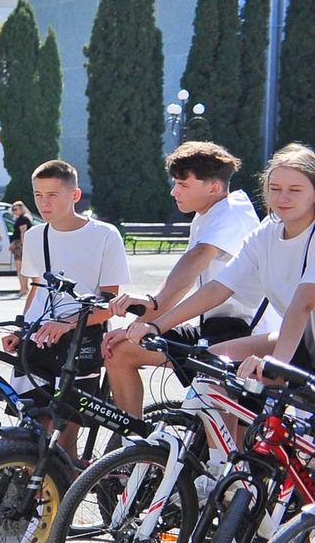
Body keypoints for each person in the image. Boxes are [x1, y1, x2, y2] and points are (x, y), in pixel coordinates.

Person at [113, 144, 315, 382]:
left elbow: (302, 304)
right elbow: (219, 288)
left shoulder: (233, 212)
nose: (283, 197)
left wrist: (277, 365)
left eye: (295, 189)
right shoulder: (267, 232)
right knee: (209, 367)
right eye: (275, 188)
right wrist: (155, 326)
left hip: (273, 334)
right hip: (299, 339)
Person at [102, 142, 261, 415]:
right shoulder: (206, 214)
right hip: (214, 327)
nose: (174, 191)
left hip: (244, 333)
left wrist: (152, 305)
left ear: (213, 187)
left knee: (223, 423)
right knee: (120, 350)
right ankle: (135, 446)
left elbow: (196, 260)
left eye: (183, 185)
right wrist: (139, 327)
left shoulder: (232, 211)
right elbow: (182, 284)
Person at [5, 160, 128, 459]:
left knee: (67, 430)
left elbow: (110, 303)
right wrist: (21, 328)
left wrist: (69, 324)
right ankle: (36, 500)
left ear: (75, 195)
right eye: (38, 195)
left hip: (82, 338)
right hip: (39, 337)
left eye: (52, 195)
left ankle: (65, 496)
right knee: (34, 426)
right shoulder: (35, 236)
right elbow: (37, 287)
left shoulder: (105, 235)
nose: (43, 203)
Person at [7, 201, 31, 293]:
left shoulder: (23, 219)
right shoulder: (21, 218)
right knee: (20, 268)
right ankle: (24, 288)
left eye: (16, 209)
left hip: (20, 246)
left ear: (22, 208)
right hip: (19, 244)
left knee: (20, 268)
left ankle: (24, 288)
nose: (14, 211)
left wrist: (22, 245)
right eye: (13, 209)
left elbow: (23, 232)